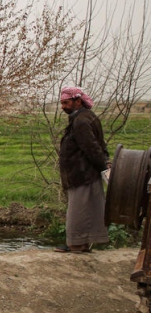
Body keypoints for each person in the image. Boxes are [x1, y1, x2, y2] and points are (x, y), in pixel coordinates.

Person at [55, 86, 109, 253]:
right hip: (85, 173)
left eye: (66, 103)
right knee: (88, 209)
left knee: (78, 210)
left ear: (78, 101)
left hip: (82, 173)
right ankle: (83, 244)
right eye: (62, 103)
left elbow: (92, 147)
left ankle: (76, 244)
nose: (63, 107)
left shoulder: (81, 121)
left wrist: (103, 168)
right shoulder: (85, 117)